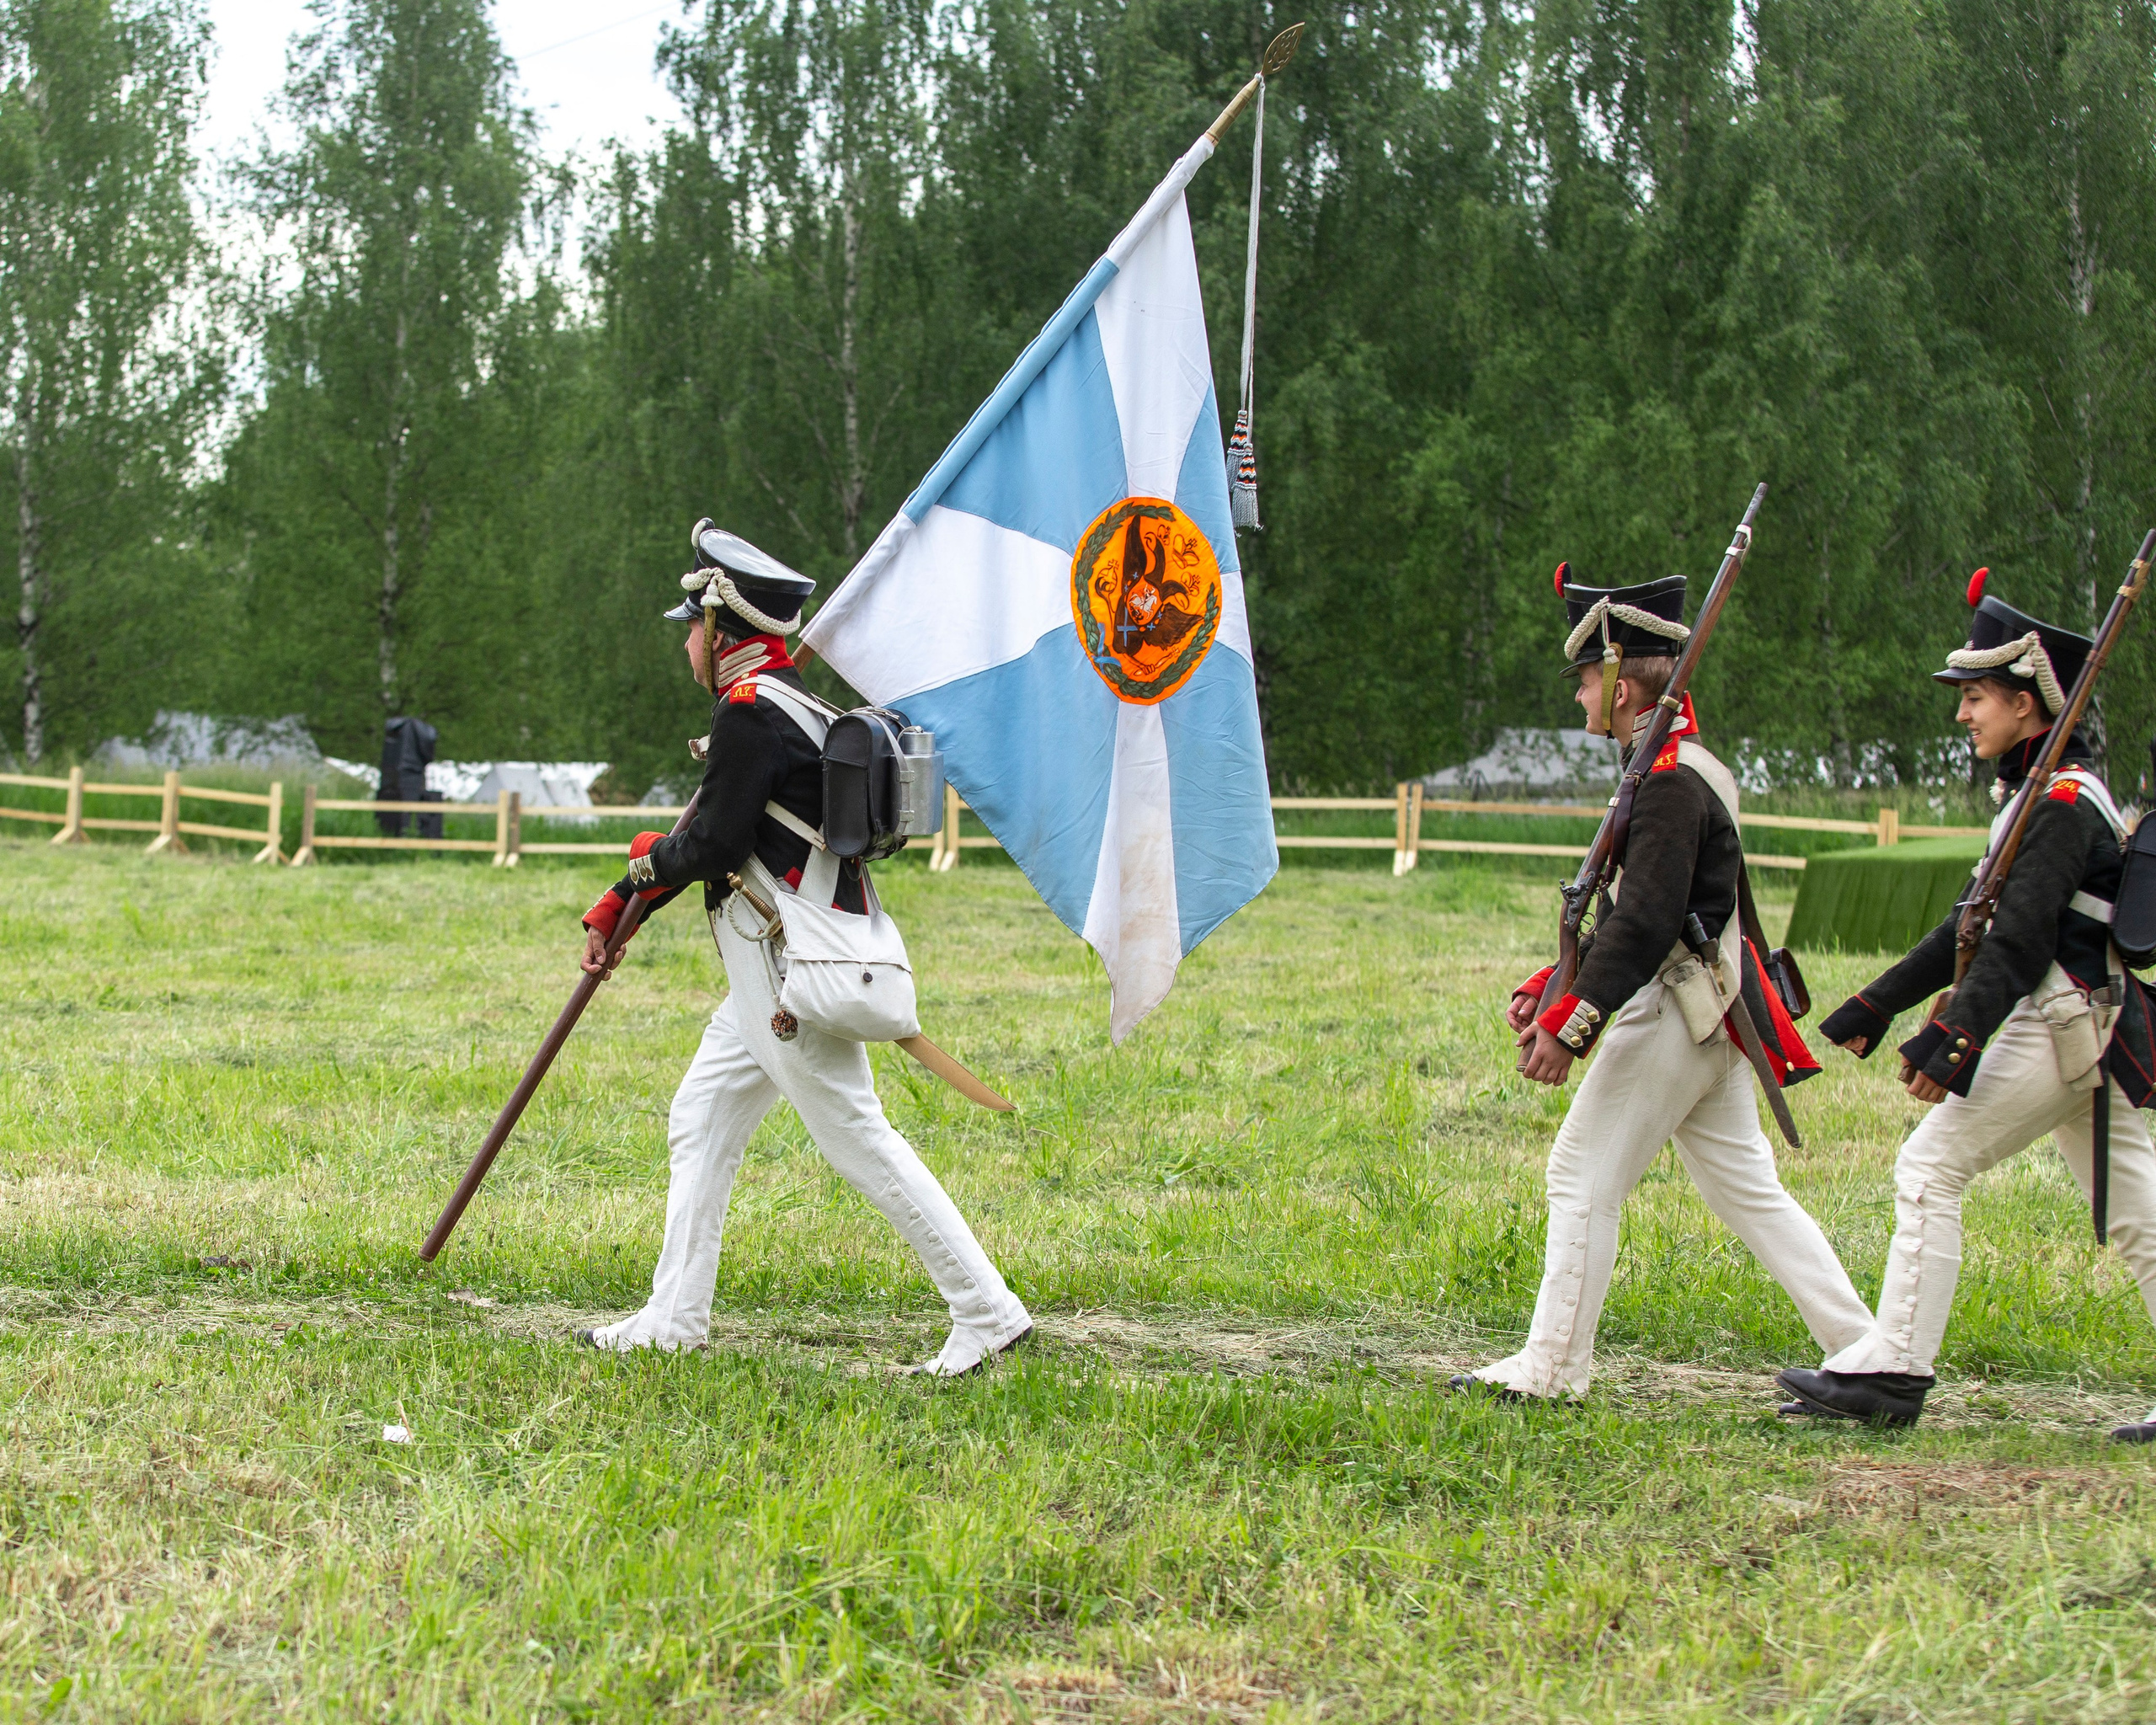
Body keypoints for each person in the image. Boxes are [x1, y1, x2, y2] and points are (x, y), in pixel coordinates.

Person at [573, 519, 1033, 1375]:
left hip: (785, 967)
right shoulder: (791, 707)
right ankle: (674, 1316)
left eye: (691, 624)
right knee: (701, 1117)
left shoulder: (751, 713)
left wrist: (633, 877)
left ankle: (986, 1309)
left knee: (858, 1137)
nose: (684, 641)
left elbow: (708, 844)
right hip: (773, 958)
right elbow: (723, 832)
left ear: (722, 627)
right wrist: (628, 892)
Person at [1454, 567, 1873, 1402]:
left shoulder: (1673, 777)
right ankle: (1868, 1348)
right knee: (1748, 1190)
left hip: (1680, 1006)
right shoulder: (1675, 765)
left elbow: (1647, 920)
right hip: (1709, 1007)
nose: (1578, 699)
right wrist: (1554, 977)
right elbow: (1639, 904)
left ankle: (1552, 1368)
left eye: (1583, 680)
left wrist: (1571, 1020)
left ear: (1616, 676)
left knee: (1578, 1171)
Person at [1778, 573, 2156, 1438]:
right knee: (2139, 1215)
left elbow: (2017, 942)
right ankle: (1892, 1362)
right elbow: (1969, 919)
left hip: (2059, 1022)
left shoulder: (2060, 805)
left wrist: (1951, 1037)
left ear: (2029, 705)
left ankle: (1896, 1367)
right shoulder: (2040, 796)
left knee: (1926, 1168)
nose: (1963, 715)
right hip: (2082, 1028)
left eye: (1977, 697)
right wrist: (1875, 1002)